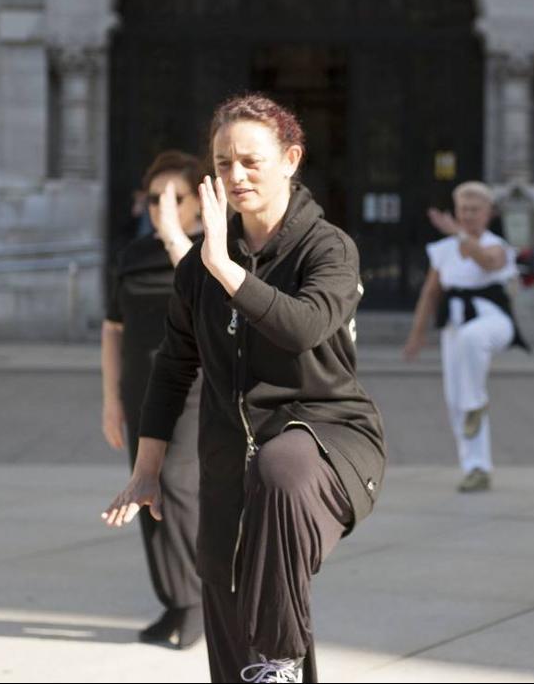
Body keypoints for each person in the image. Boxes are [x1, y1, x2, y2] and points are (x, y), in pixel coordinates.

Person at [103, 94, 386, 683]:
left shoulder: (328, 248)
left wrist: (224, 268)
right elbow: (172, 367)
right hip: (231, 453)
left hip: (327, 443)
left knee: (280, 469)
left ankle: (280, 656)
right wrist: (147, 466)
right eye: (224, 162)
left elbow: (302, 326)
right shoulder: (197, 270)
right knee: (224, 583)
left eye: (251, 161)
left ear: (291, 158)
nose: (236, 175)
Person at [102, 150, 206, 648]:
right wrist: (110, 398)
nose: (162, 207)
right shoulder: (131, 254)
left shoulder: (208, 252)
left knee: (177, 488)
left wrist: (172, 235)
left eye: (175, 198)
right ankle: (172, 600)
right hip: (139, 389)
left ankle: (196, 603)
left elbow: (208, 295)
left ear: (199, 204)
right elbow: (112, 328)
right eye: (154, 198)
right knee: (145, 492)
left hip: (193, 392)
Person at [403, 182, 529, 493]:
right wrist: (416, 336)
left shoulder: (496, 244)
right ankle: (476, 467)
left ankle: (475, 403)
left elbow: (488, 261)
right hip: (455, 327)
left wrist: (458, 234)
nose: (469, 215)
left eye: (475, 210)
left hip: (493, 321)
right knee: (454, 398)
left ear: (488, 213)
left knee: (473, 341)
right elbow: (430, 294)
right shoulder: (444, 251)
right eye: (463, 210)